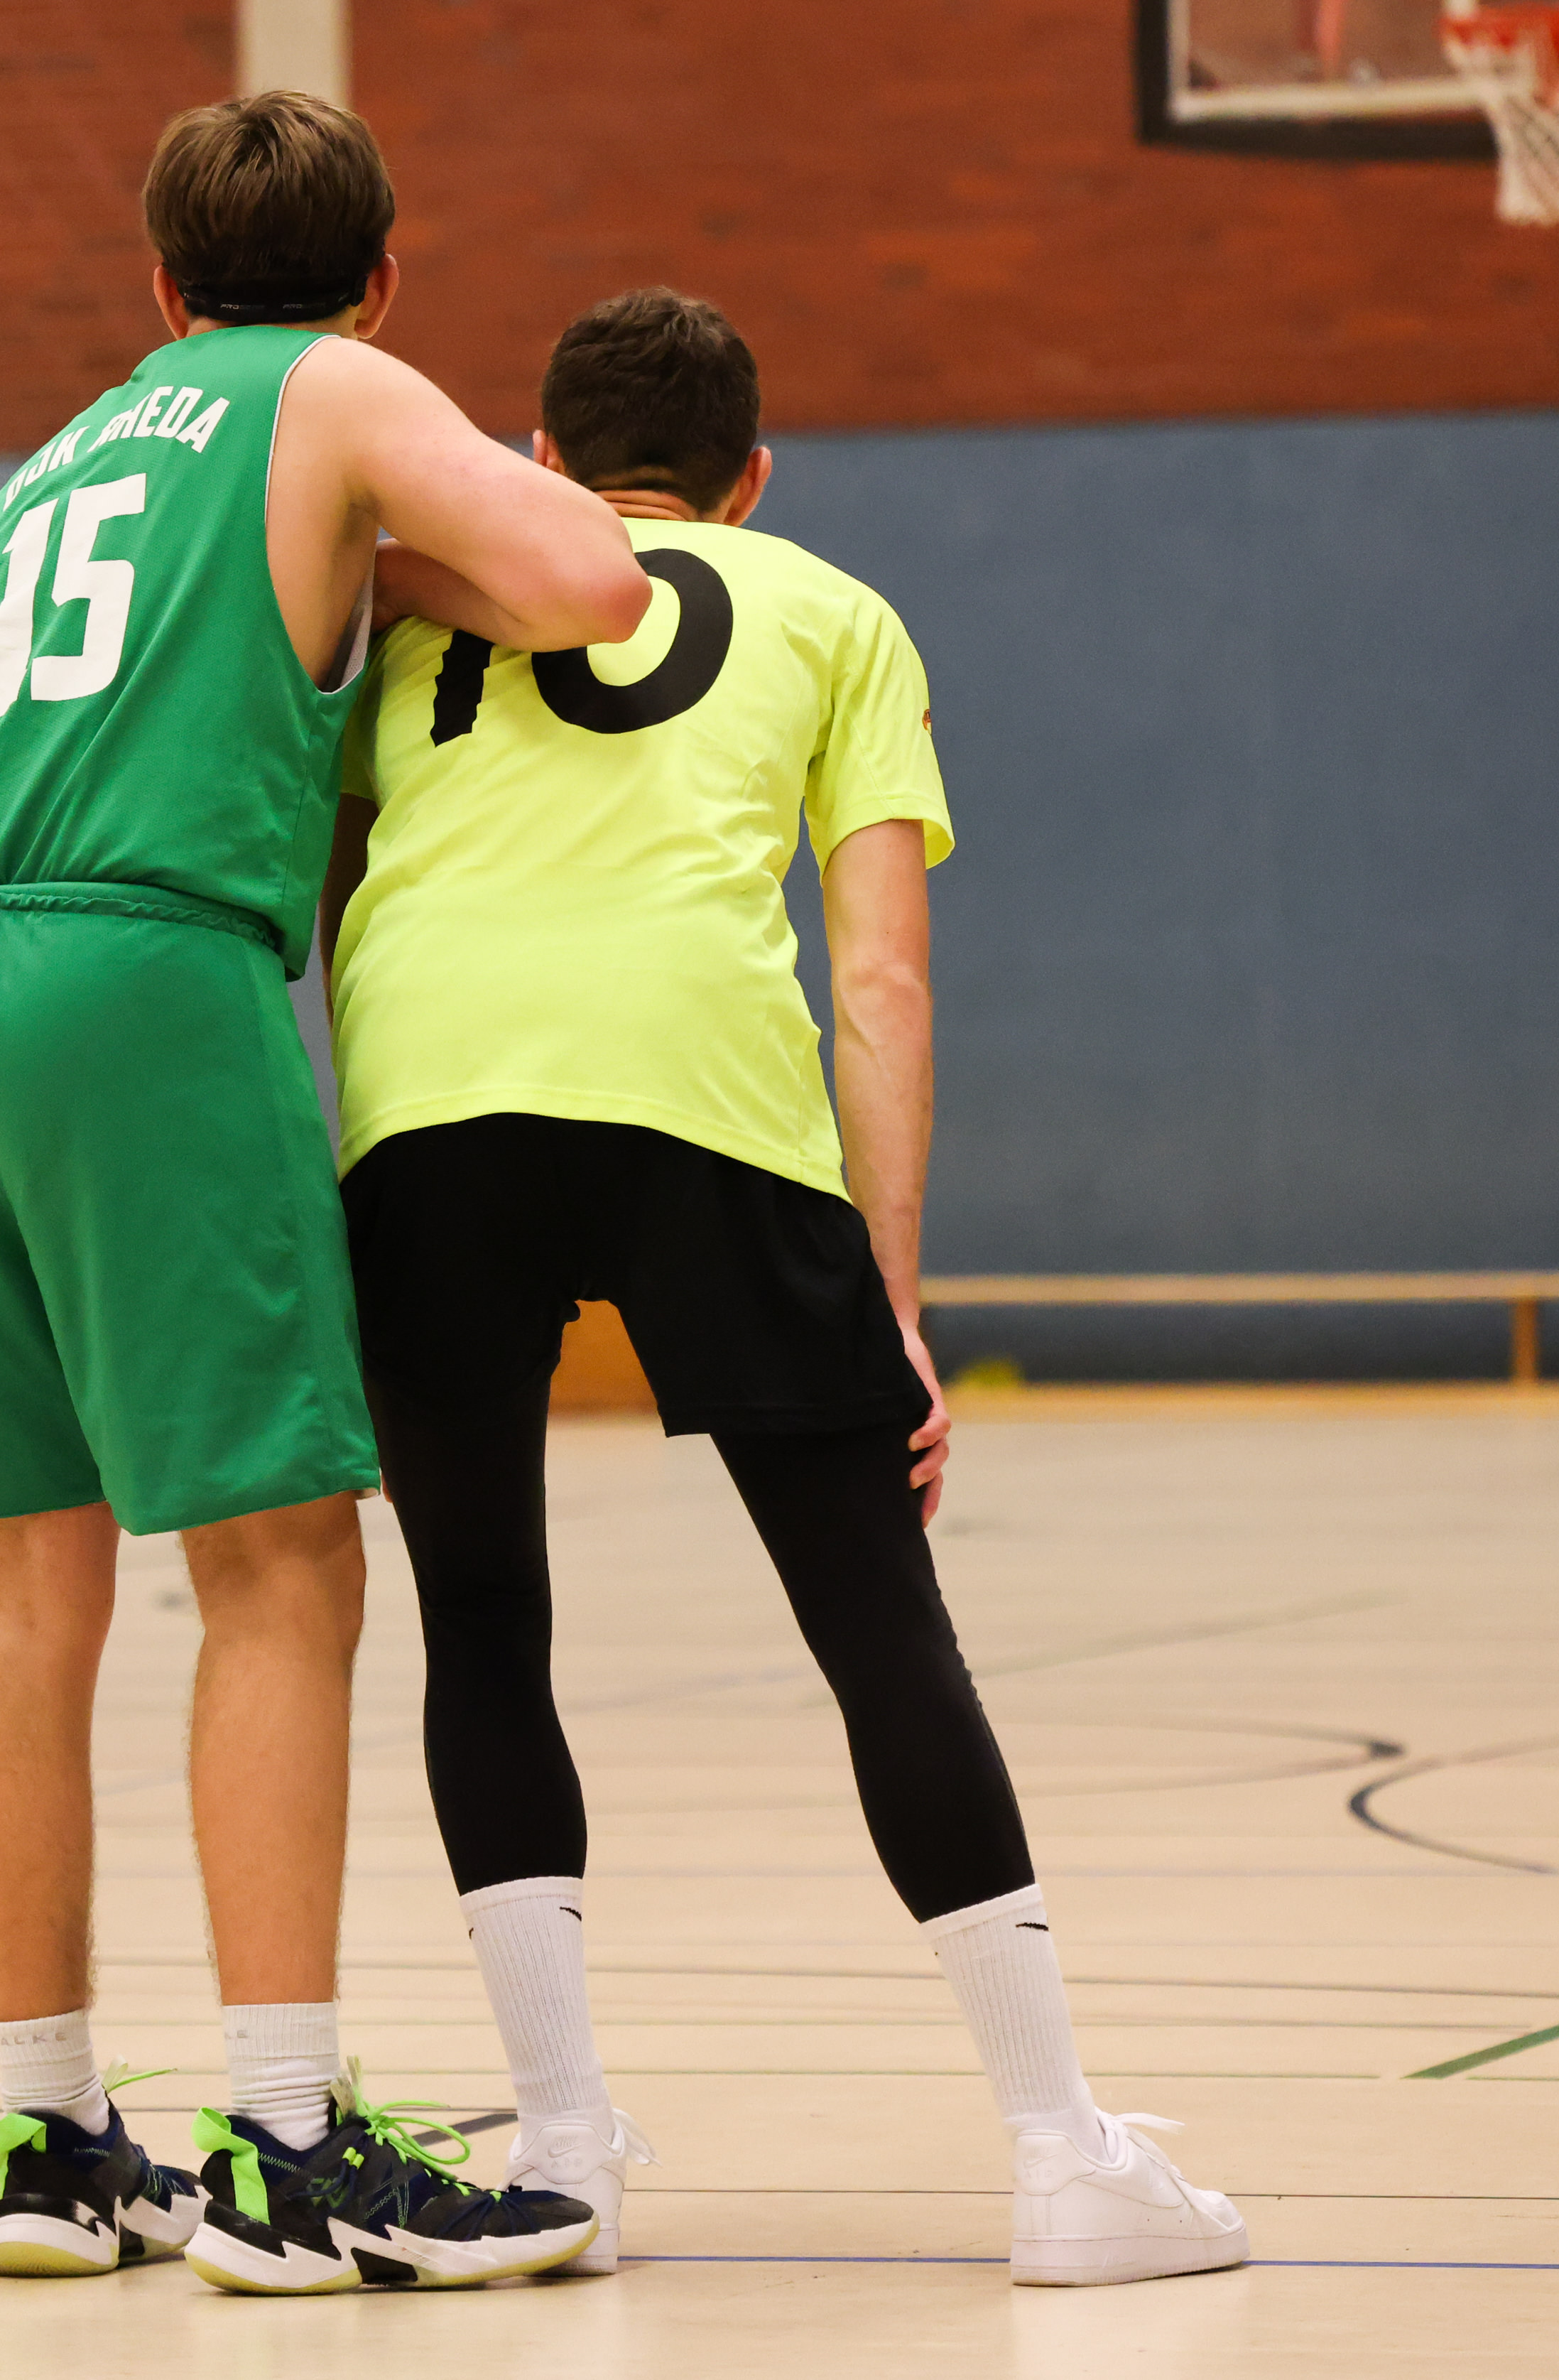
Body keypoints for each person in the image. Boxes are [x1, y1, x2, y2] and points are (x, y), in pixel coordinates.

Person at [328, 288, 1251, 2288]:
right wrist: (889, 1304)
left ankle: (557, 2151)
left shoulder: (415, 619)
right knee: (875, 1625)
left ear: (540, 461)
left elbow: (332, 897)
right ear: (750, 477)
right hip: (707, 1105)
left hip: (426, 1111)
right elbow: (880, 977)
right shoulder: (832, 611)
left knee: (478, 1623)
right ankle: (1056, 2151)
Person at [0, 92, 652, 2295]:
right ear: (375, 279)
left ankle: (48, 2133)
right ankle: (284, 2141)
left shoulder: (46, 465)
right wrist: (417, 553)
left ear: (156, 284)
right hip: (137, 964)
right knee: (280, 1556)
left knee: (24, 1575)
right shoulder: (333, 390)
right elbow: (590, 582)